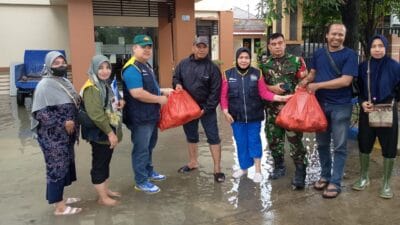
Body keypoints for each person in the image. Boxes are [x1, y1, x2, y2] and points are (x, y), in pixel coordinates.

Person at [300, 23, 358, 198]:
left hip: (341, 106)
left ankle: (335, 181)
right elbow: (313, 73)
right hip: (320, 105)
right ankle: (325, 175)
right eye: (334, 34)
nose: (337, 37)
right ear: (327, 35)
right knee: (322, 143)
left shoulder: (350, 55)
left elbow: (346, 81)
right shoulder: (318, 53)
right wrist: (304, 81)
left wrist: (317, 85)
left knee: (339, 146)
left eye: (340, 35)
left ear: (344, 37)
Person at [221, 47, 291, 183]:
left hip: (254, 116)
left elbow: (264, 93)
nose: (243, 60)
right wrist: (225, 111)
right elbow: (223, 96)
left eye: (246, 57)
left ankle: (258, 170)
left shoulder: (257, 73)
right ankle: (244, 168)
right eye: (241, 57)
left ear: (250, 59)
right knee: (241, 142)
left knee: (254, 141)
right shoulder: (227, 74)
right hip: (236, 117)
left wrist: (281, 98)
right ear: (236, 59)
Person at [31, 51, 82, 215]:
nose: (61, 65)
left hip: (66, 135)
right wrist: (63, 122)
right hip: (52, 136)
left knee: (64, 165)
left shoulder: (64, 81)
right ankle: (59, 207)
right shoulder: (44, 86)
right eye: (56, 63)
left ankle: (60, 198)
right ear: (49, 66)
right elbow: (41, 114)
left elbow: (75, 101)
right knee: (56, 167)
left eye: (62, 62)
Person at [122, 34, 172, 193]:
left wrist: (164, 90)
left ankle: (149, 172)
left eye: (149, 47)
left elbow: (150, 88)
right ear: (134, 48)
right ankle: (141, 181)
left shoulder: (146, 66)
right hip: (139, 118)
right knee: (141, 149)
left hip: (150, 116)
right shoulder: (132, 68)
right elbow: (137, 93)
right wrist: (159, 99)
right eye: (143, 47)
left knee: (149, 146)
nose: (147, 50)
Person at [352, 34, 400, 199]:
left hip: (387, 110)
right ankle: (364, 177)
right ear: (369, 48)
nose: (377, 49)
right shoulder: (363, 66)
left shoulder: (394, 66)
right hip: (368, 111)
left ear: (385, 48)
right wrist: (362, 102)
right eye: (374, 46)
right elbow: (356, 88)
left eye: (380, 46)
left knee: (389, 145)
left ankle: (386, 183)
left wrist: (392, 101)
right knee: (364, 143)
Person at [259, 33, 308, 189]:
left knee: (295, 141)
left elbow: (304, 82)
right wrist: (271, 88)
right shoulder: (264, 64)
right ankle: (279, 166)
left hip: (292, 111)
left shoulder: (296, 61)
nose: (277, 46)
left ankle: (300, 170)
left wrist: (295, 92)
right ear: (269, 46)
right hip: (272, 110)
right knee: (274, 139)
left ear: (285, 44)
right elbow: (259, 86)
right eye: (274, 44)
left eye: (280, 43)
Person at [172, 36, 225, 182]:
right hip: (188, 109)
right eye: (198, 46)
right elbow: (176, 77)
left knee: (213, 137)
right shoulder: (183, 64)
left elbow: (216, 91)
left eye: (204, 47)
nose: (201, 49)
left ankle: (217, 169)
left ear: (208, 49)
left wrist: (206, 109)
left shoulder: (213, 68)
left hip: (206, 109)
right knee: (191, 136)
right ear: (193, 47)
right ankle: (193, 162)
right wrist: (177, 84)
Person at [81, 55, 125, 205]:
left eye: (107, 67)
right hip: (100, 133)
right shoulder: (91, 88)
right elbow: (96, 115)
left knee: (106, 161)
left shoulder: (104, 84)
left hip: (106, 131)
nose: (105, 71)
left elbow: (112, 102)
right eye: (100, 68)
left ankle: (105, 190)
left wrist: (120, 102)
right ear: (94, 68)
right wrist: (110, 133)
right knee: (99, 163)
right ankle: (102, 198)